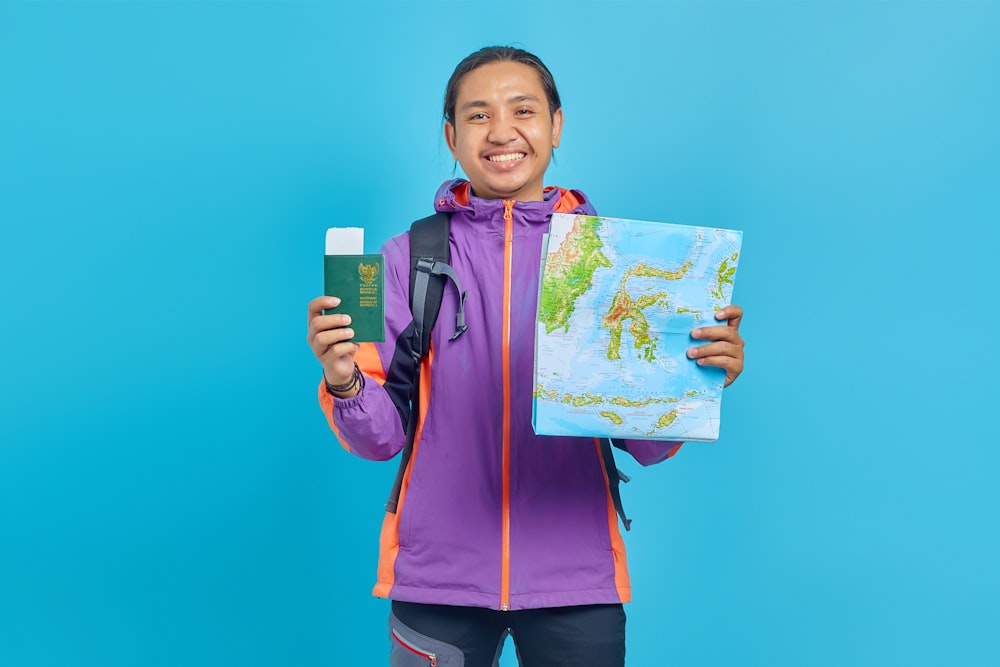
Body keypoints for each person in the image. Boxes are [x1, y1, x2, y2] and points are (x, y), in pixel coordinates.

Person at [307, 46, 745, 667]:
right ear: (451, 136)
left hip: (576, 576)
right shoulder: (405, 258)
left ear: (556, 125)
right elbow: (377, 440)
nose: (503, 132)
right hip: (439, 578)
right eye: (479, 115)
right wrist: (344, 378)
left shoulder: (620, 260)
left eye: (523, 110)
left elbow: (649, 446)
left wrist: (702, 375)